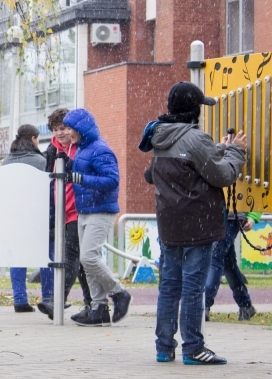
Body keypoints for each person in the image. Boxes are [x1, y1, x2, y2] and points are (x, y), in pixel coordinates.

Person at [141, 81, 246, 364]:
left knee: (169, 286)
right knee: (192, 288)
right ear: (194, 110)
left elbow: (155, 174)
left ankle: (164, 347)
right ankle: (193, 348)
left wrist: (218, 150)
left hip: (169, 225)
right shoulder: (195, 138)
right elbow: (222, 176)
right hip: (197, 225)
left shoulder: (159, 136)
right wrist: (236, 152)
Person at [63, 109, 132, 327]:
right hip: (87, 210)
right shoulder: (83, 149)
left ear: (81, 129)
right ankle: (99, 308)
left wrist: (79, 177)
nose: (67, 133)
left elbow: (112, 180)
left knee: (88, 258)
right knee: (89, 261)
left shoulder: (100, 150)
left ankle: (119, 293)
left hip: (101, 210)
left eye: (69, 128)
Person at [45, 108, 93, 321]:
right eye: (56, 129)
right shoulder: (52, 151)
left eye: (63, 128)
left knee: (71, 256)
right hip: (61, 211)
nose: (60, 133)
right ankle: (94, 304)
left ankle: (56, 300)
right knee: (83, 261)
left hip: (78, 210)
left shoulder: (81, 148)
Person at [1, 124, 53, 314]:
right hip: (38, 216)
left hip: (15, 217)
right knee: (46, 256)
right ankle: (48, 297)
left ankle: (20, 299)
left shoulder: (6, 161)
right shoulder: (41, 161)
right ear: (33, 139)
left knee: (17, 256)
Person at [204, 211, 260, 321]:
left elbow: (262, 193)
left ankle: (204, 304)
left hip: (231, 215)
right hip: (217, 214)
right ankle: (245, 305)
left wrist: (253, 216)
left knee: (216, 256)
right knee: (227, 262)